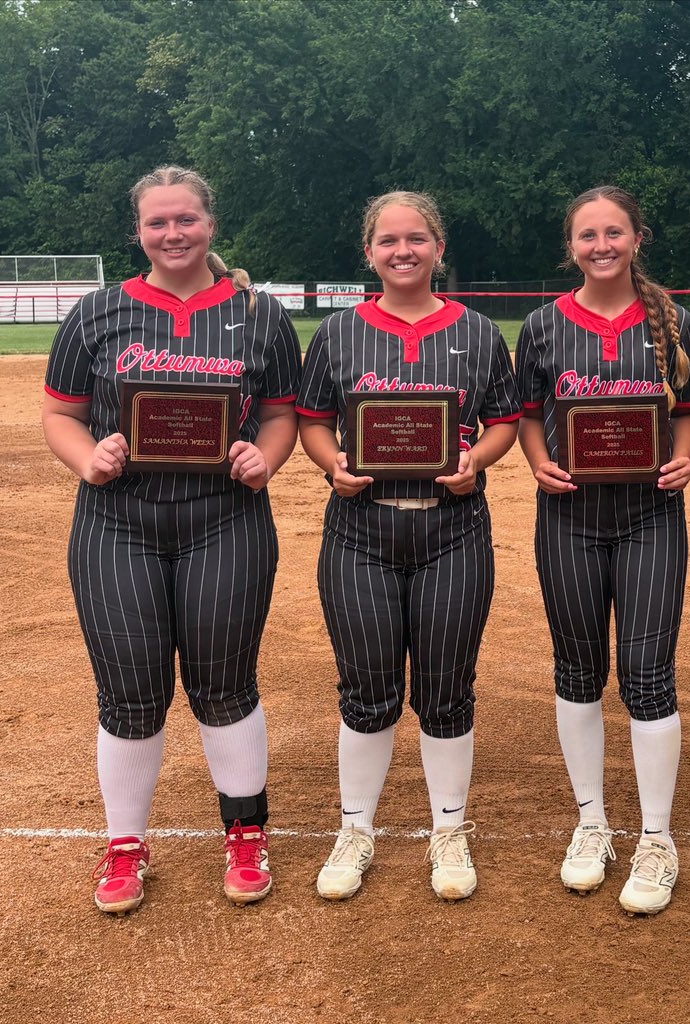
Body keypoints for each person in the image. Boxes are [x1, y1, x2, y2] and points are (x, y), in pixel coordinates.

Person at [42, 165, 302, 915]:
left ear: (210, 225)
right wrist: (86, 457)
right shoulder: (98, 313)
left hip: (226, 517)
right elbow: (61, 414)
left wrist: (267, 458)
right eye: (158, 223)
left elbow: (283, 413)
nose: (173, 233)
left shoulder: (259, 315)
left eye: (185, 220)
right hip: (117, 522)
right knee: (130, 691)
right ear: (138, 232)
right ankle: (126, 846)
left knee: (224, 682)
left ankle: (246, 831)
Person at [296, 191, 520, 902]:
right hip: (360, 531)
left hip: (452, 528)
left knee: (448, 689)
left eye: (417, 239)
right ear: (369, 252)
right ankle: (355, 828)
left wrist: (475, 463)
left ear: (439, 248)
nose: (403, 251)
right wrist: (333, 465)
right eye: (389, 241)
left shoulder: (480, 333)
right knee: (366, 688)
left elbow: (503, 423)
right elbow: (313, 422)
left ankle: (447, 829)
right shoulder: (337, 334)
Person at [514, 186, 690, 915]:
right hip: (567, 513)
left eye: (613, 232)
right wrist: (537, 460)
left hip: (652, 514)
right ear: (572, 245)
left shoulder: (672, 320)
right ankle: (592, 821)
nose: (601, 245)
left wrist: (684, 459)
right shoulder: (541, 326)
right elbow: (529, 414)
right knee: (579, 669)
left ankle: (656, 836)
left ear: (637, 237)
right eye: (587, 234)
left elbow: (686, 413)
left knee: (649, 674)